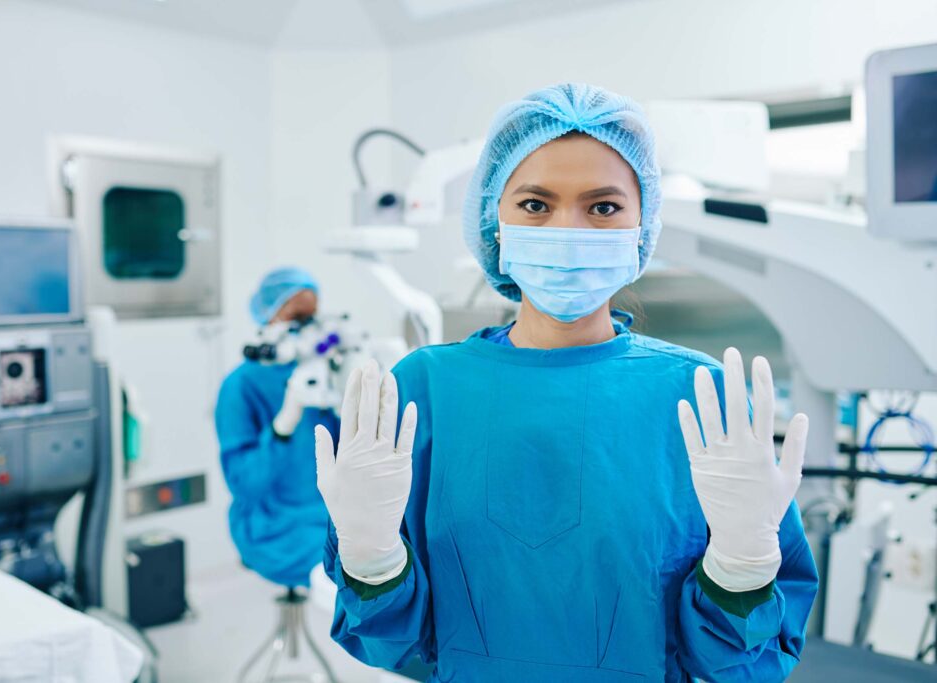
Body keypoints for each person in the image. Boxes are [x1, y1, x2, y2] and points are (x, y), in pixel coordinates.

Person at [313, 84, 819, 682]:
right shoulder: (422, 392)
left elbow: (736, 666)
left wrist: (740, 572)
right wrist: (373, 561)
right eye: (535, 205)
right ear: (493, 220)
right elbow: (395, 646)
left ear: (642, 226)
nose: (568, 228)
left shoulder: (699, 400)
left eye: (603, 207)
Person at [215, 267, 338, 588]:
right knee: (355, 573)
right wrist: (283, 425)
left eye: (312, 318)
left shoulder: (324, 372)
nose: (305, 328)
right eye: (296, 318)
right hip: (273, 526)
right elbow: (245, 485)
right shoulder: (240, 386)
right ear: (268, 316)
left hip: (330, 515)